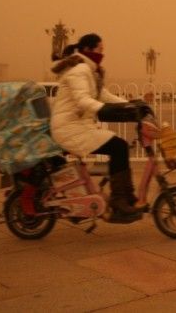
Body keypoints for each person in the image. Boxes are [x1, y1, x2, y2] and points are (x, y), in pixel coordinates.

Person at [50, 33, 146, 222]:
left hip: (80, 126)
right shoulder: (79, 70)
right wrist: (105, 110)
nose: (103, 54)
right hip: (69, 128)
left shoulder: (90, 71)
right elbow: (82, 99)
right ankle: (119, 200)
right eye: (100, 50)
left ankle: (126, 196)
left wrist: (131, 105)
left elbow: (105, 95)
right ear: (87, 50)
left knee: (120, 147)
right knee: (118, 147)